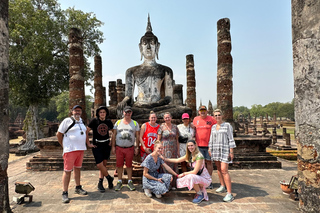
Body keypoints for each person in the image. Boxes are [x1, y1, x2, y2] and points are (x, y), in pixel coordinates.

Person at [117, 15, 174, 117]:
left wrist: (156, 104)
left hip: (159, 107)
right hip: (139, 106)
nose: (148, 47)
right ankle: (149, 114)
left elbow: (169, 98)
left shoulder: (166, 70)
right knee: (114, 110)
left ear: (157, 46)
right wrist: (124, 101)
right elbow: (128, 96)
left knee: (184, 110)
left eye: (151, 43)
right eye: (145, 44)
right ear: (140, 47)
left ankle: (149, 114)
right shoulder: (132, 71)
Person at [57, 105, 92, 203]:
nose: (77, 112)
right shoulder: (67, 121)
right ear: (72, 112)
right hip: (70, 150)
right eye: (76, 111)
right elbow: (59, 134)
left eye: (79, 111)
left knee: (77, 168)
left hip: (80, 149)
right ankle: (65, 192)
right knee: (67, 171)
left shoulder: (82, 121)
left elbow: (85, 133)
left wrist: (88, 144)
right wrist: (63, 145)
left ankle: (78, 187)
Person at [163, 139, 212, 204]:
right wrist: (164, 159)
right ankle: (199, 191)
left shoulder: (199, 156)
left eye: (192, 145)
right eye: (188, 146)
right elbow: (177, 160)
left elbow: (194, 172)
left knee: (191, 177)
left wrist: (183, 174)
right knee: (187, 178)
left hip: (205, 179)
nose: (190, 147)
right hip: (198, 177)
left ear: (195, 146)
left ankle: (200, 194)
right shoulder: (190, 155)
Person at [209, 109, 236, 202]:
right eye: (215, 115)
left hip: (225, 150)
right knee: (219, 168)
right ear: (213, 117)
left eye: (219, 115)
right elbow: (211, 139)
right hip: (216, 150)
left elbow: (231, 139)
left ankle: (229, 193)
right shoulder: (213, 127)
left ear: (222, 115)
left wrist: (231, 151)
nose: (217, 117)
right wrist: (210, 148)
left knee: (224, 170)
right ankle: (222, 186)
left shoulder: (227, 125)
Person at [111, 106, 140, 191]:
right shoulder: (118, 122)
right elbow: (114, 135)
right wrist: (113, 146)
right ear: (123, 113)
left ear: (131, 113)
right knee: (119, 165)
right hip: (119, 147)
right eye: (126, 112)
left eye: (129, 112)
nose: (127, 114)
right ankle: (119, 181)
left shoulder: (135, 123)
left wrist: (137, 147)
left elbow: (137, 136)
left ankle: (130, 181)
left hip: (129, 147)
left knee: (129, 165)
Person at [87, 106, 114, 192]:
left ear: (106, 113)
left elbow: (114, 132)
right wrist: (88, 143)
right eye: (101, 112)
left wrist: (111, 142)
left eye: (104, 112)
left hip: (106, 145)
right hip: (97, 145)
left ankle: (100, 183)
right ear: (98, 114)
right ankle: (109, 178)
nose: (102, 114)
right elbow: (86, 131)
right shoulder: (94, 121)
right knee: (99, 165)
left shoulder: (108, 122)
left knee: (103, 165)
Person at [193, 105, 217, 189]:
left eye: (204, 110)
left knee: (209, 162)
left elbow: (216, 129)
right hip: (198, 145)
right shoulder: (196, 119)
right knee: (200, 164)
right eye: (201, 110)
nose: (202, 112)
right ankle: (201, 180)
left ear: (207, 111)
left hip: (209, 145)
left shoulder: (212, 119)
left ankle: (209, 180)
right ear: (198, 111)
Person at [157, 112, 179, 188]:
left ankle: (173, 184)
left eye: (168, 117)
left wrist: (178, 151)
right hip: (164, 149)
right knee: (164, 165)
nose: (167, 119)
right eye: (166, 118)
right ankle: (166, 183)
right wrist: (158, 151)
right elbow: (158, 140)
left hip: (173, 149)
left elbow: (177, 140)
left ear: (171, 118)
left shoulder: (175, 127)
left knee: (173, 165)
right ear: (164, 119)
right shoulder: (161, 127)